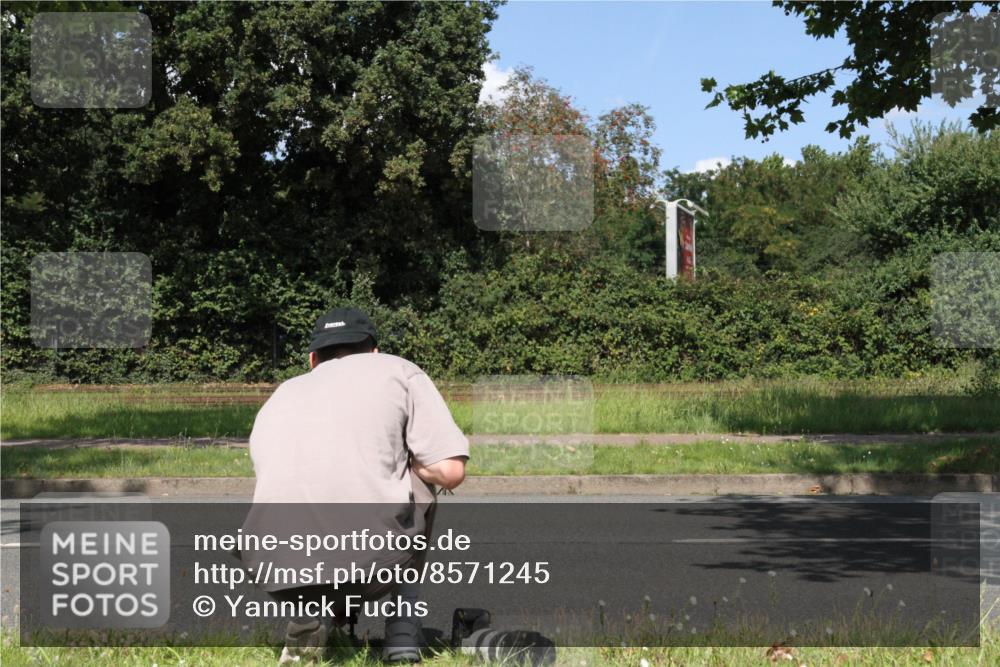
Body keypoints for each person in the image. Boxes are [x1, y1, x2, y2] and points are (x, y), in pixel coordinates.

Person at [241, 306, 468, 665]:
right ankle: (402, 636)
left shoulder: (283, 392)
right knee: (419, 480)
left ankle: (313, 611)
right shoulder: (399, 370)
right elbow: (452, 470)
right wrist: (407, 463)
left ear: (313, 359)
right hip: (368, 564)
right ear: (374, 352)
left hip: (271, 565)